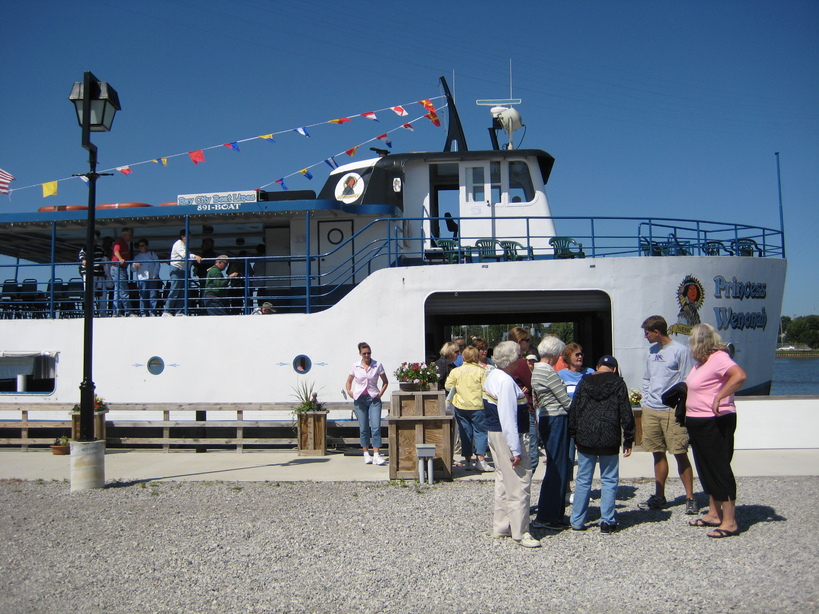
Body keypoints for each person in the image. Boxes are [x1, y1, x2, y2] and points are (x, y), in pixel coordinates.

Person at [684, 323, 746, 538]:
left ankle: (730, 521)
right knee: (706, 467)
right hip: (698, 421)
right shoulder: (701, 363)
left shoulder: (719, 358)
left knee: (719, 467)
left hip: (715, 421)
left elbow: (739, 376)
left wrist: (720, 396)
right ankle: (714, 513)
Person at [483, 340, 540, 548]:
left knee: (502, 481)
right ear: (511, 360)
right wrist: (516, 450)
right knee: (519, 484)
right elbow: (508, 417)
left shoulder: (493, 376)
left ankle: (502, 526)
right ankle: (520, 531)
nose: (520, 360)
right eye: (518, 357)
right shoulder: (506, 382)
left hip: (495, 434)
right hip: (509, 436)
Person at [568, 355, 635, 533]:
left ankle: (577, 521)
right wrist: (628, 438)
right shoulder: (618, 383)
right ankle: (607, 520)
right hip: (609, 436)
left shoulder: (584, 381)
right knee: (609, 479)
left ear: (597, 367)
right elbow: (626, 412)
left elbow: (574, 409)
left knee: (583, 479)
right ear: (614, 369)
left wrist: (574, 433)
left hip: (586, 436)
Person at [639, 315, 697, 513]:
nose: (645, 336)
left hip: (672, 411)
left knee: (680, 452)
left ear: (657, 332)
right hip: (651, 409)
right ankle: (660, 495)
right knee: (658, 453)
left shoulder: (680, 351)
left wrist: (681, 407)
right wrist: (645, 400)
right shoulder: (652, 351)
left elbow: (686, 380)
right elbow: (647, 377)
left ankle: (690, 497)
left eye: (647, 332)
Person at [530, 336, 574, 532]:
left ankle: (554, 513)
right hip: (557, 419)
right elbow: (566, 401)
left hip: (548, 417)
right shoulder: (548, 372)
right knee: (558, 466)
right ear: (554, 354)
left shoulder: (537, 371)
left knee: (557, 465)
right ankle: (548, 515)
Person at [446, 346, 492, 472]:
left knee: (465, 433)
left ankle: (467, 460)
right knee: (480, 432)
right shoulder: (481, 371)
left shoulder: (456, 371)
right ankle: (481, 459)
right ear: (476, 357)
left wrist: (458, 388)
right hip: (477, 405)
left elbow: (448, 385)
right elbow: (486, 388)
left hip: (460, 405)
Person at [345, 342, 389, 465]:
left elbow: (385, 381)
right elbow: (348, 381)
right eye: (364, 353)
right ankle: (366, 453)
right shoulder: (355, 366)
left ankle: (376, 454)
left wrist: (380, 393)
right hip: (360, 399)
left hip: (373, 398)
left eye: (368, 353)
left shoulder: (377, 365)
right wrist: (350, 392)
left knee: (375, 427)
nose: (367, 355)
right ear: (360, 354)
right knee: (363, 427)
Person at [507, 327, 540, 472]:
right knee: (531, 451)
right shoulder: (519, 362)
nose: (529, 343)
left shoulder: (506, 361)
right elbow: (533, 383)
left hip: (514, 408)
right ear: (520, 342)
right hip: (526, 408)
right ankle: (527, 479)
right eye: (527, 340)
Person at [163, 230, 202, 316]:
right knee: (174, 290)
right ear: (182, 236)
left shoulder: (184, 245)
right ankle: (167, 310)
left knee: (182, 292)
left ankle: (179, 312)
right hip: (177, 270)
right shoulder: (178, 244)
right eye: (188, 236)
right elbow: (184, 255)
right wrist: (195, 256)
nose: (189, 238)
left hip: (182, 270)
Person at [78, 230, 107, 315]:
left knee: (103, 294)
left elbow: (105, 259)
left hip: (100, 274)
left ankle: (102, 312)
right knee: (89, 293)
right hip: (89, 274)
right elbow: (84, 261)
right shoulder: (84, 250)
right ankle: (89, 312)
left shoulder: (100, 249)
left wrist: (102, 263)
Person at [131, 239, 161, 316]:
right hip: (142, 279)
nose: (140, 247)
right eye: (139, 246)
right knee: (143, 296)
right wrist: (135, 264)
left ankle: (152, 312)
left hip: (152, 278)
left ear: (146, 246)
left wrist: (155, 275)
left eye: (142, 245)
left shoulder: (152, 254)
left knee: (153, 295)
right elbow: (132, 269)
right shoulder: (137, 257)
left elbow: (157, 265)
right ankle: (143, 313)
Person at [110, 227, 133, 316]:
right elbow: (116, 250)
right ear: (125, 234)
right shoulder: (119, 241)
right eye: (130, 234)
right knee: (123, 290)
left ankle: (116, 312)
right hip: (118, 268)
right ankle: (129, 312)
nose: (131, 237)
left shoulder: (124, 244)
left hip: (121, 268)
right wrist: (120, 259)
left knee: (118, 291)